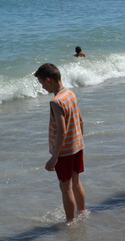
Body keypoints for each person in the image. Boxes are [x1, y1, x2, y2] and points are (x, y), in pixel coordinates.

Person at [34, 63, 86, 222]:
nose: (42, 87)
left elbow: (62, 131)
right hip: (77, 146)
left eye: (42, 83)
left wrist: (54, 157)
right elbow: (80, 121)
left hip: (64, 152)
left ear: (48, 80)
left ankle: (71, 222)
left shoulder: (56, 102)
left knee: (66, 188)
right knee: (76, 183)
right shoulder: (70, 94)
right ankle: (83, 213)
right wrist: (78, 140)